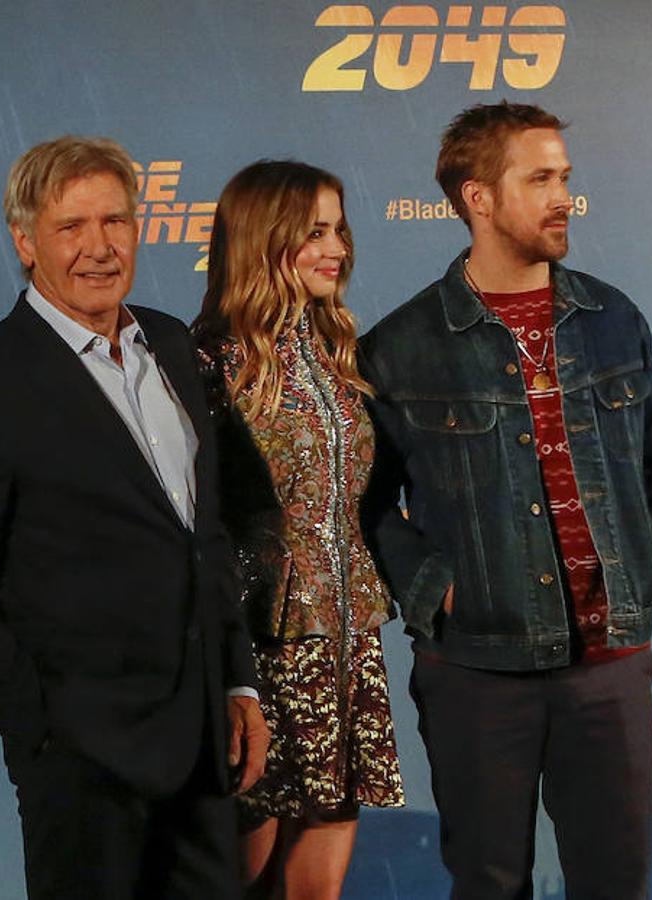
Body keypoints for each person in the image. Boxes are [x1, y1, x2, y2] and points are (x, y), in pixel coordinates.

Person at [360, 103, 652, 899]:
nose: (563, 197)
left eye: (566, 178)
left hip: (611, 665)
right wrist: (435, 591)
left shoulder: (613, 318)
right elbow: (370, 503)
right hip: (477, 671)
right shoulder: (403, 345)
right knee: (489, 885)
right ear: (478, 197)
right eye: (540, 178)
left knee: (617, 884)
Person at [0, 136, 268, 900]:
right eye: (72, 227)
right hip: (83, 766)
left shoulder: (170, 345)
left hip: (201, 745)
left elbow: (204, 537)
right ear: (25, 241)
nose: (99, 248)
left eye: (115, 222)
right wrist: (40, 726)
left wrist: (237, 684)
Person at [193, 160, 404, 900]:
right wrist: (227, 666)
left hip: (346, 642)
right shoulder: (208, 362)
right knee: (235, 874)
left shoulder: (335, 349)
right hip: (260, 650)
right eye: (314, 232)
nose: (336, 248)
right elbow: (202, 525)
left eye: (338, 229)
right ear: (263, 239)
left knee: (323, 861)